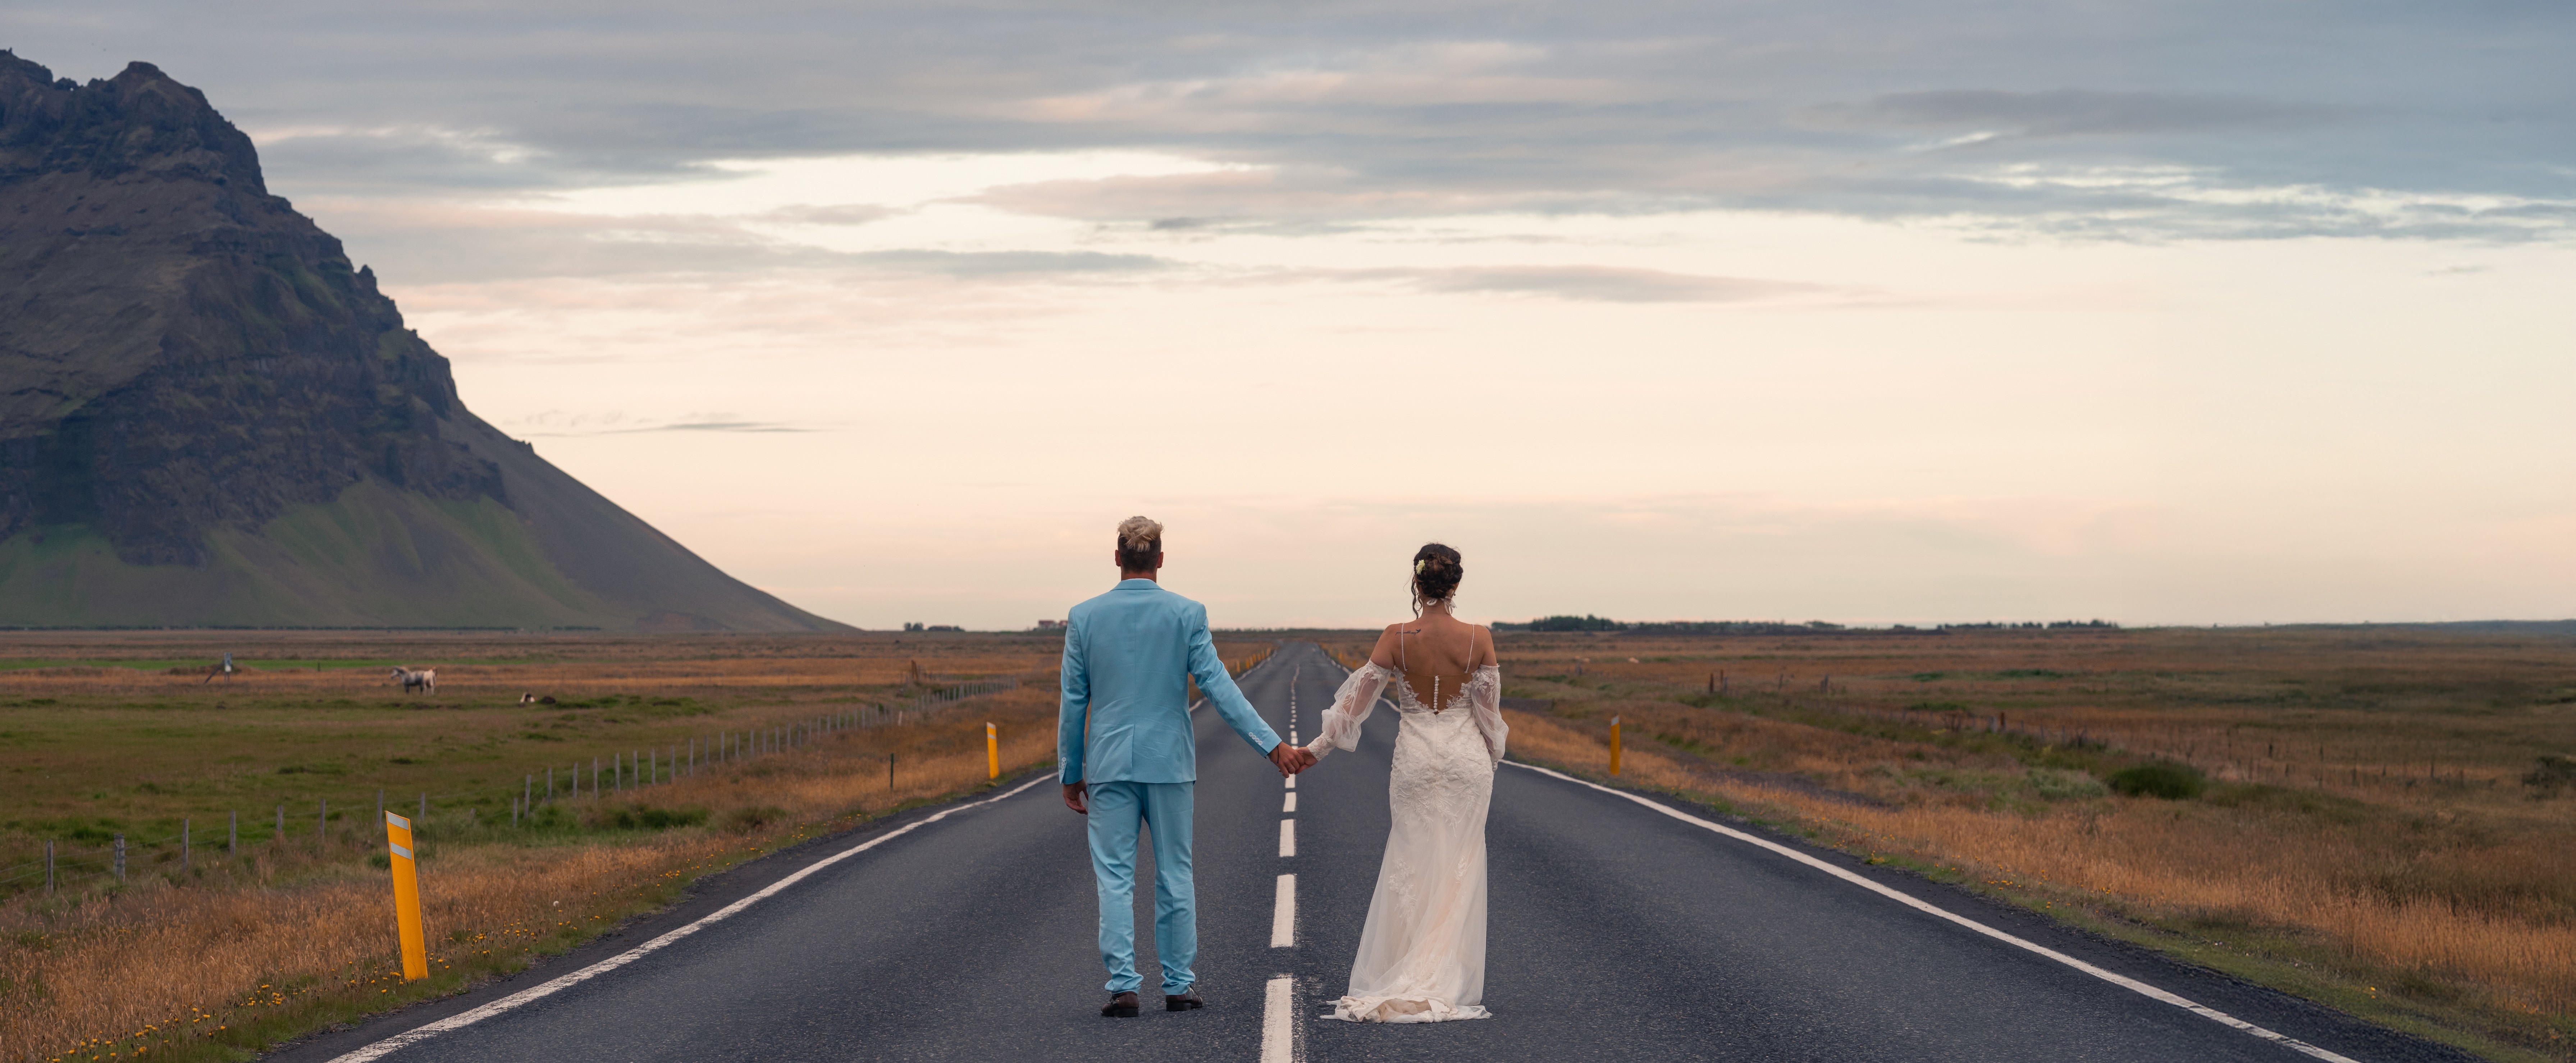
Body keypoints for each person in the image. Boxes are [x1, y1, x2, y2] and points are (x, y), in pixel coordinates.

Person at [1060, 516, 1316, 1018]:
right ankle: (1178, 984)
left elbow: (1074, 699)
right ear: (1160, 558)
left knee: (1114, 877)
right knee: (1175, 873)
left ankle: (1123, 986)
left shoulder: (1084, 617)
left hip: (1110, 763)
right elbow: (1219, 687)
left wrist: (1071, 771)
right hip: (1169, 762)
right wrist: (1272, 746)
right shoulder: (1186, 613)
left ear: (1117, 558)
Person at [1302, 542, 1506, 1023]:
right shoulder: (1480, 638)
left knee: (1412, 861)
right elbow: (1489, 717)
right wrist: (1491, 758)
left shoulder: (1396, 636)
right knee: (1458, 865)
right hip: (1465, 763)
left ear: (1417, 584)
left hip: (1414, 761)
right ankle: (1439, 971)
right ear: (1455, 584)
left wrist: (1312, 750)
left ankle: (1409, 965)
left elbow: (1354, 708)